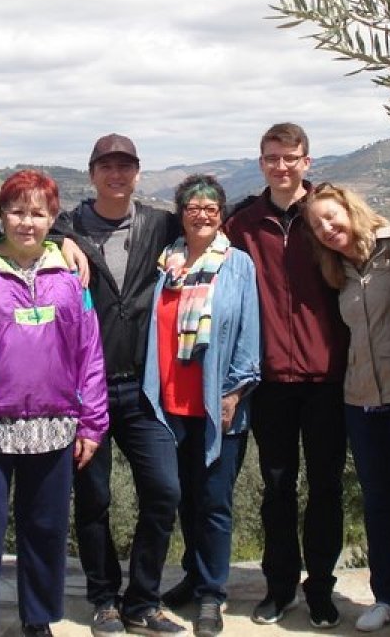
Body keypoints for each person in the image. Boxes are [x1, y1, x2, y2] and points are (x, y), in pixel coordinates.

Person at [0, 170, 109, 637]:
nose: (27, 222)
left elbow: (90, 351)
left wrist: (92, 424)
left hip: (54, 424)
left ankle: (38, 619)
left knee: (44, 532)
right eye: (17, 211)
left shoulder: (70, 277)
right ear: (1, 216)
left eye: (37, 213)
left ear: (52, 219)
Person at [60, 134, 185, 637]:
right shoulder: (69, 226)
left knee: (164, 492)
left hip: (144, 390)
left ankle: (143, 600)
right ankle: (104, 599)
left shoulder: (160, 225)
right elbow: (28, 229)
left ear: (137, 172)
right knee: (94, 501)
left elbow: (212, 225)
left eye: (125, 166)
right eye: (107, 166)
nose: (117, 174)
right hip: (84, 393)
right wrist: (58, 238)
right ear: (92, 173)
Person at [223, 123, 348, 629]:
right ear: (261, 162)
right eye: (273, 157)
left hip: (327, 378)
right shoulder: (244, 224)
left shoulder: (326, 215)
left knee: (326, 487)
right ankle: (278, 587)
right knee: (277, 488)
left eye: (291, 157)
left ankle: (320, 588)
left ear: (307, 161)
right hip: (270, 380)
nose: (282, 166)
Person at [304, 183, 390, 637]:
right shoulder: (335, 266)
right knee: (378, 503)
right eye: (317, 224)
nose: (327, 228)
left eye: (332, 217)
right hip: (360, 399)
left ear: (350, 208)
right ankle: (387, 596)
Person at [142, 175, 261, 637]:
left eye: (211, 205)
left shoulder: (238, 265)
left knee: (214, 503)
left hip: (218, 404)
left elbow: (249, 335)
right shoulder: (165, 264)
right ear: (181, 211)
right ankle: (193, 578)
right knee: (182, 500)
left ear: (222, 212)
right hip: (169, 402)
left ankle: (212, 593)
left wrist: (233, 394)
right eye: (193, 204)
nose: (203, 212)